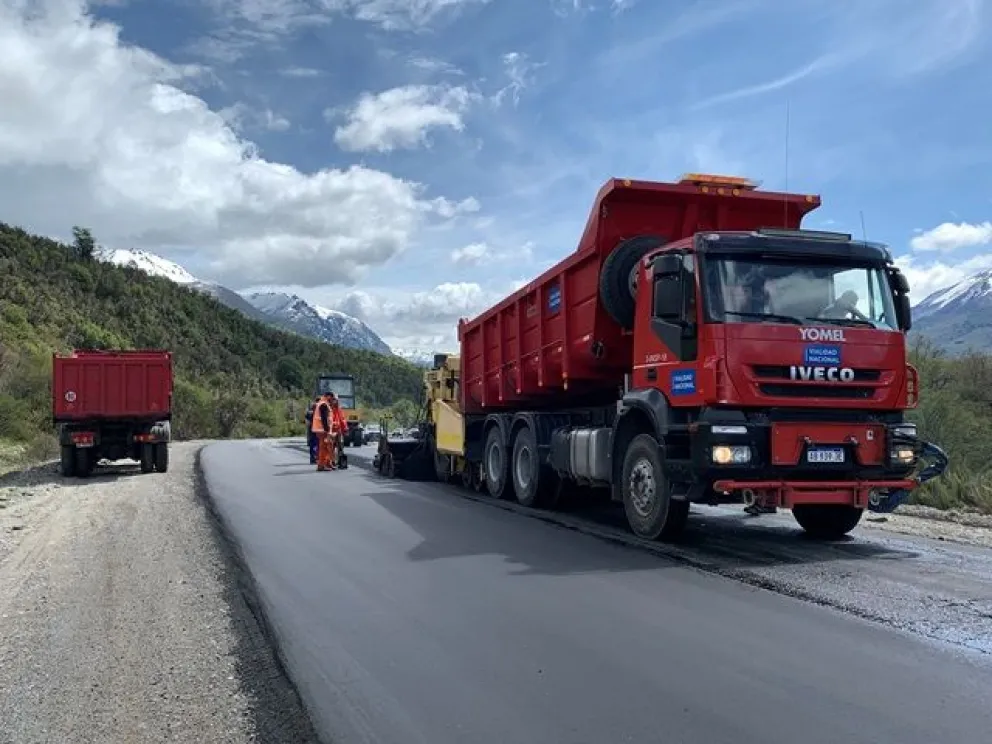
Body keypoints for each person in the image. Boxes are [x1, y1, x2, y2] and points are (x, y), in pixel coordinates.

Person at [305, 396, 320, 464]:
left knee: (313, 445)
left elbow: (307, 420)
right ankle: (316, 458)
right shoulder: (320, 412)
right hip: (318, 431)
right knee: (317, 445)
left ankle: (313, 458)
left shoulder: (310, 413)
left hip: (312, 431)